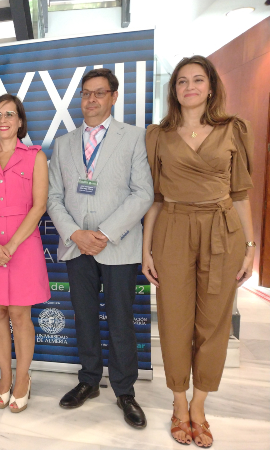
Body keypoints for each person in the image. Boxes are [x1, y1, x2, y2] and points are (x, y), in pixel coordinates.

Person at [142, 55, 254, 448]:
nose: (190, 87)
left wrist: (251, 247)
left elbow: (241, 195)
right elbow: (155, 198)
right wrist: (146, 251)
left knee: (214, 322)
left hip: (223, 231)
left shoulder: (233, 129)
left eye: (198, 80)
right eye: (182, 81)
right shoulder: (158, 135)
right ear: (174, 90)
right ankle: (178, 403)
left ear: (210, 87)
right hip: (172, 228)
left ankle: (199, 405)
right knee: (173, 320)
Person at [47, 68, 153, 429]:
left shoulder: (134, 137)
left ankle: (125, 391)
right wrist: (75, 233)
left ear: (113, 96)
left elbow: (143, 193)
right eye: (86, 93)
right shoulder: (63, 143)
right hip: (77, 246)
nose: (91, 100)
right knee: (85, 315)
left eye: (99, 93)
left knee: (121, 319)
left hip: (118, 245)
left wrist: (105, 233)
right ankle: (89, 380)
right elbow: (53, 196)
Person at [0, 94, 50, 413]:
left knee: (19, 314)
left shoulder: (35, 157)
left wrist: (12, 246)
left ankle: (23, 377)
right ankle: (5, 375)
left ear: (20, 121)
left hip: (23, 243)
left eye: (9, 114)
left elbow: (39, 206)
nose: (2, 120)